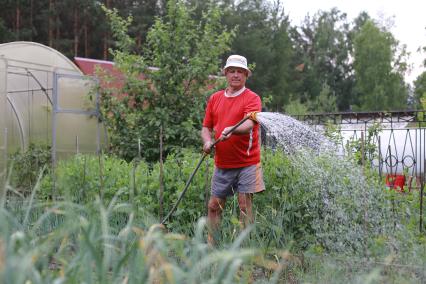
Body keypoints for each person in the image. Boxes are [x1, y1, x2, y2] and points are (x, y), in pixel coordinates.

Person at [201, 54, 265, 245]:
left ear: (246, 75)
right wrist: (206, 142)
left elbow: (249, 125)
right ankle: (213, 246)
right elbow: (206, 127)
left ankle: (244, 248)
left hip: (247, 162)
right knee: (214, 206)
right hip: (223, 163)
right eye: (232, 71)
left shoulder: (252, 98)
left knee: (244, 205)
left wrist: (232, 129)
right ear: (226, 74)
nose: (235, 75)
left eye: (240, 72)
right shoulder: (215, 98)